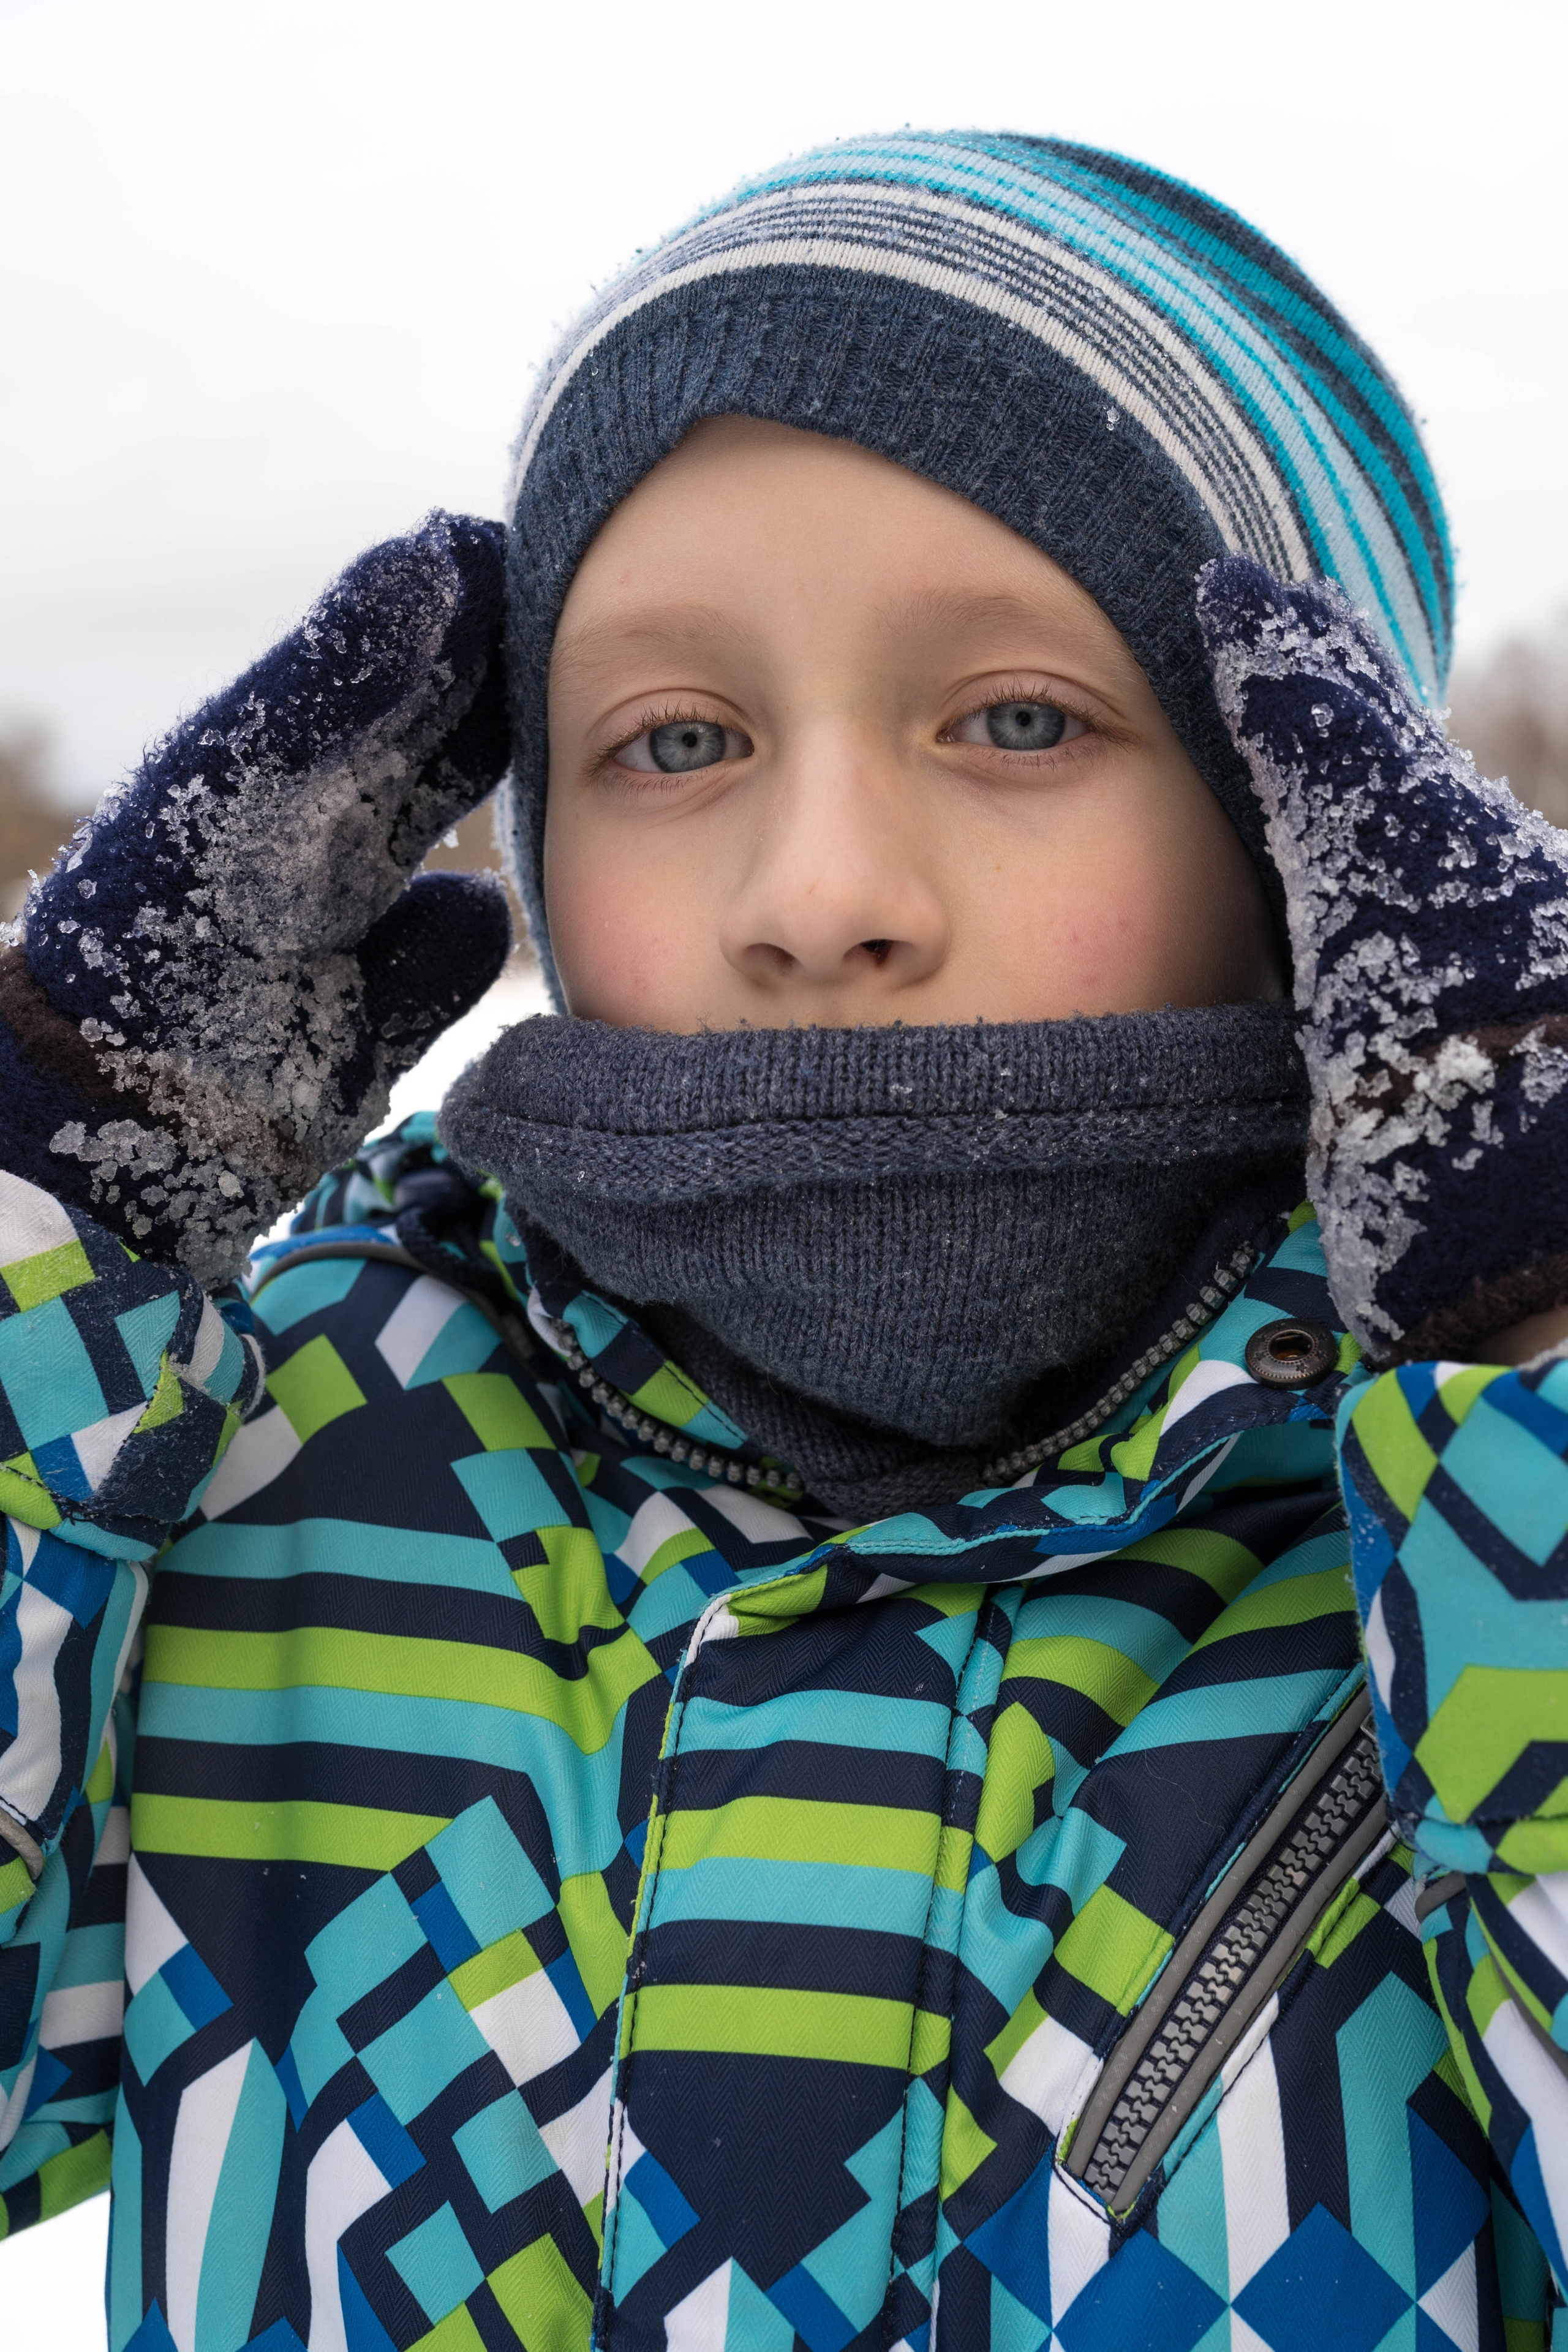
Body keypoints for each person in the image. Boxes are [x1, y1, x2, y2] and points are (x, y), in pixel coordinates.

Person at [0, 129, 1562, 2351]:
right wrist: (45, 1215)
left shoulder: (1445, 1518)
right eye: (678, 740)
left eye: (1017, 718)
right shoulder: (271, 1457)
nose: (818, 891)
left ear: (1308, 829)